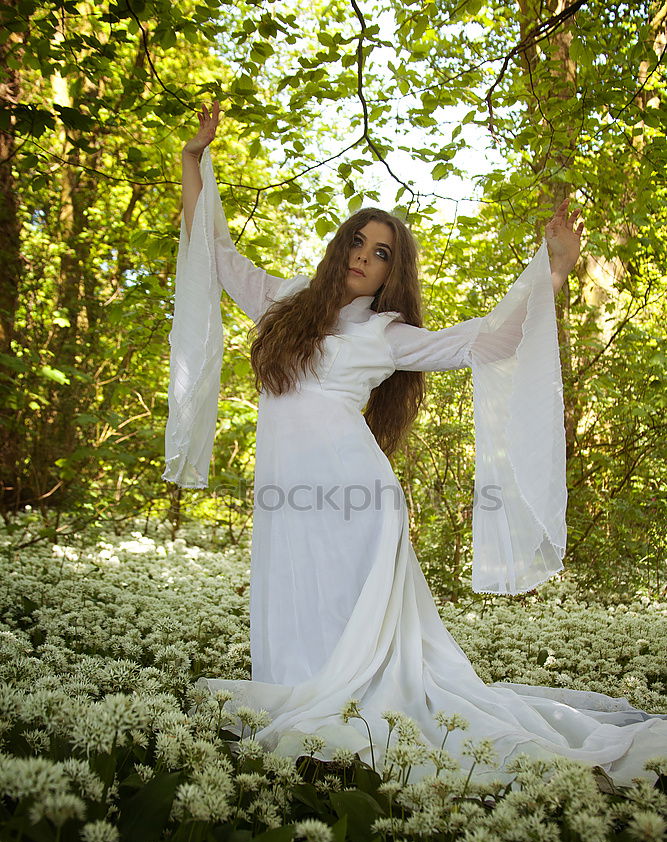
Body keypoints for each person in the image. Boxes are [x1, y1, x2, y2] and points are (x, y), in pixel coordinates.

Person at [164, 101, 667, 783]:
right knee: (295, 598)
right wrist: (194, 160)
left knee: (363, 634)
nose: (364, 258)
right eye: (358, 243)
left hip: (355, 497)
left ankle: (351, 713)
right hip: (289, 498)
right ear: (338, 245)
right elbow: (212, 252)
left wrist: (549, 273)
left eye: (381, 254)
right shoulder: (283, 303)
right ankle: (307, 697)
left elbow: (485, 340)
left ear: (390, 272)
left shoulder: (388, 333)